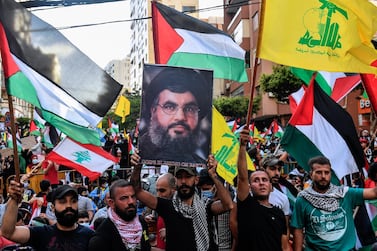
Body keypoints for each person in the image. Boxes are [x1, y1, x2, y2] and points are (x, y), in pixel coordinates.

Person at [131, 152, 233, 251]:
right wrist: (137, 166)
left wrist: (213, 175)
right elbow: (137, 191)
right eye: (180, 177)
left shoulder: (206, 205)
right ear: (175, 181)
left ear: (196, 180)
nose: (183, 181)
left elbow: (228, 205)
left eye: (188, 177)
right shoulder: (167, 206)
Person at [291, 156, 377, 250]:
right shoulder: (303, 199)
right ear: (311, 174)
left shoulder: (344, 193)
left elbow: (374, 193)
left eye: (326, 172)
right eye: (319, 172)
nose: (323, 176)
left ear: (330, 174)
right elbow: (298, 230)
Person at [138, 66, 212, 166]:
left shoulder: (201, 163)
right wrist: (137, 168)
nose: (180, 117)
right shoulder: (138, 156)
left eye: (190, 109)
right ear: (153, 111)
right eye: (169, 107)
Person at [1, 182, 94, 250]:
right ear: (53, 208)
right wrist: (14, 199)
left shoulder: (90, 235)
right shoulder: (42, 233)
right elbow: (8, 233)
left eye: (73, 201)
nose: (69, 205)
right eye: (62, 201)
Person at [236, 127, 288, 251]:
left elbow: (284, 246)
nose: (261, 183)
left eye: (264, 180)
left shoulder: (279, 213)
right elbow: (242, 177)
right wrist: (242, 147)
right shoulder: (246, 205)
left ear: (271, 186)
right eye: (256, 180)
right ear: (249, 186)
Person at [88, 179, 151, 251]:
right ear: (111, 203)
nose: (131, 202)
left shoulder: (141, 222)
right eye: (124, 198)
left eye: (133, 197)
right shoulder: (102, 235)